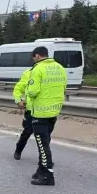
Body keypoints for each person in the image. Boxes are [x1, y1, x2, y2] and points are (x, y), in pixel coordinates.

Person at [27, 46, 67, 186]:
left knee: (43, 145)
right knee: (44, 143)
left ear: (37, 56)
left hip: (40, 112)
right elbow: (63, 87)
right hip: (54, 111)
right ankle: (41, 169)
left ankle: (48, 176)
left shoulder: (37, 69)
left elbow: (32, 92)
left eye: (34, 58)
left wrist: (27, 90)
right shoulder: (59, 67)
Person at [12, 68, 33, 160]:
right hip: (31, 110)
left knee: (45, 137)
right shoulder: (29, 73)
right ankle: (18, 150)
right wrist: (18, 101)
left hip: (47, 112)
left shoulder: (50, 73)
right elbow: (18, 89)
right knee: (27, 133)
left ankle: (46, 160)